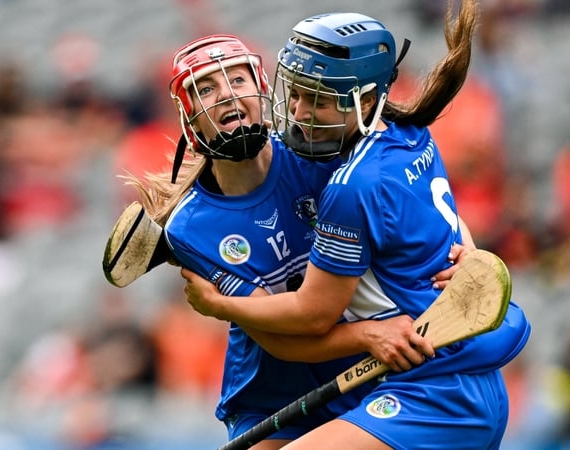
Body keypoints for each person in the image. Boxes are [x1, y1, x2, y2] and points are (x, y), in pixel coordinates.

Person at [115, 34, 490, 449]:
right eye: (206, 89)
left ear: (262, 90)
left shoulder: (316, 151)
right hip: (274, 394)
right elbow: (280, 337)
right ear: (190, 117)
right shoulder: (191, 228)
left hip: (364, 377)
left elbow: (410, 196)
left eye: (237, 81)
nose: (225, 96)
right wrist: (368, 334)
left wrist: (465, 247)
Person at [181, 3, 530, 449]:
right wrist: (468, 250)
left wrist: (217, 304)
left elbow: (313, 314)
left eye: (320, 100)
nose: (302, 111)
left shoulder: (351, 184)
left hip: (433, 387)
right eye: (298, 93)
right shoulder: (408, 133)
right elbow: (439, 224)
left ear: (365, 100)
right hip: (442, 379)